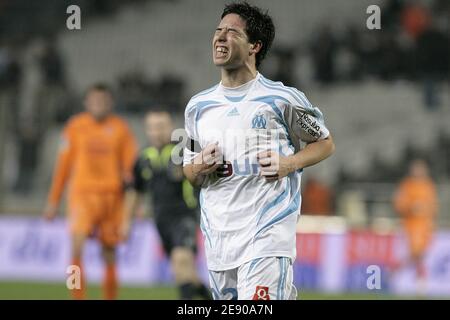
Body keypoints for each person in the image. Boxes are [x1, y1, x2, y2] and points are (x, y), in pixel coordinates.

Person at [182, 2, 335, 300]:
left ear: (254, 46)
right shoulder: (197, 108)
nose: (220, 38)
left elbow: (325, 143)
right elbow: (188, 172)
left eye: (231, 32)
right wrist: (199, 165)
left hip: (267, 235)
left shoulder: (282, 99)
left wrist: (289, 164)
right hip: (219, 242)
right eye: (218, 31)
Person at [43, 83, 138, 300]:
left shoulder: (121, 129)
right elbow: (63, 166)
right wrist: (53, 200)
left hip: (112, 197)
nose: (99, 104)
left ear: (110, 103)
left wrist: (135, 206)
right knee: (76, 248)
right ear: (86, 103)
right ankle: (77, 297)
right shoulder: (75, 127)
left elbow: (130, 171)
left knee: (110, 253)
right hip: (82, 195)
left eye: (103, 101)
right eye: (95, 100)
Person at [123, 109, 210, 299]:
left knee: (181, 261)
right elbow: (136, 191)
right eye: (152, 127)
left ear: (170, 127)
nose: (157, 131)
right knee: (187, 274)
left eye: (161, 126)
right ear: (147, 130)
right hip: (161, 220)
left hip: (185, 216)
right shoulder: (143, 157)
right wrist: (126, 223)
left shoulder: (184, 150)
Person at [393, 159, 438, 290]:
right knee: (417, 253)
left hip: (425, 226)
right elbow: (399, 204)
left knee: (421, 254)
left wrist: (430, 218)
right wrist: (412, 207)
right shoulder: (407, 185)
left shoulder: (428, 185)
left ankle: (396, 270)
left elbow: (433, 205)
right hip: (412, 225)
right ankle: (420, 280)